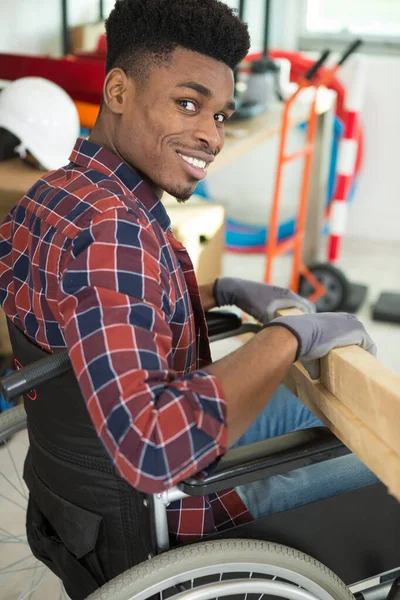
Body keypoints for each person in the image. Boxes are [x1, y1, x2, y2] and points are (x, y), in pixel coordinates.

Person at [0, 0, 377, 597]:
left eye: (220, 115)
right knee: (382, 452)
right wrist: (289, 336)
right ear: (118, 91)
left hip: (78, 508)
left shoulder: (54, 197)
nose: (210, 135)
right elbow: (153, 447)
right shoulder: (113, 231)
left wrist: (218, 291)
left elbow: (92, 310)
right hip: (176, 511)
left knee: (324, 405)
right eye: (187, 103)